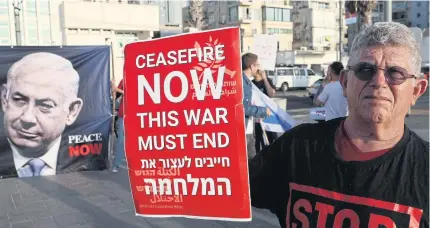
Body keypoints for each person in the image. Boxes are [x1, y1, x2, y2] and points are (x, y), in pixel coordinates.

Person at [249, 22, 429, 228]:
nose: (379, 81)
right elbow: (229, 188)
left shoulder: (425, 170)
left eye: (395, 73)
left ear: (417, 90)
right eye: (365, 69)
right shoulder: (296, 147)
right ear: (344, 82)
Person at [0, 52, 83, 178]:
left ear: (72, 112)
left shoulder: (88, 160)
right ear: (4, 98)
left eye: (45, 106)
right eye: (19, 100)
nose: (27, 118)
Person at [242, 53, 271, 159]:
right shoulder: (243, 82)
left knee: (252, 161)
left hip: (249, 129)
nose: (259, 68)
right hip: (244, 131)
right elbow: (244, 108)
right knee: (249, 163)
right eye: (257, 65)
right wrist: (263, 111)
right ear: (251, 66)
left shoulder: (247, 82)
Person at [252, 69, 277, 152]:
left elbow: (271, 94)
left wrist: (265, 79)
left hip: (268, 115)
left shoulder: (267, 81)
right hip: (257, 116)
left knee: (271, 139)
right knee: (258, 140)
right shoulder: (251, 83)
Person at [111, 79, 124, 172]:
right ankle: (116, 164)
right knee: (120, 140)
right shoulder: (124, 80)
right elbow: (115, 95)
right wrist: (113, 88)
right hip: (123, 115)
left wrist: (116, 88)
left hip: (136, 116)